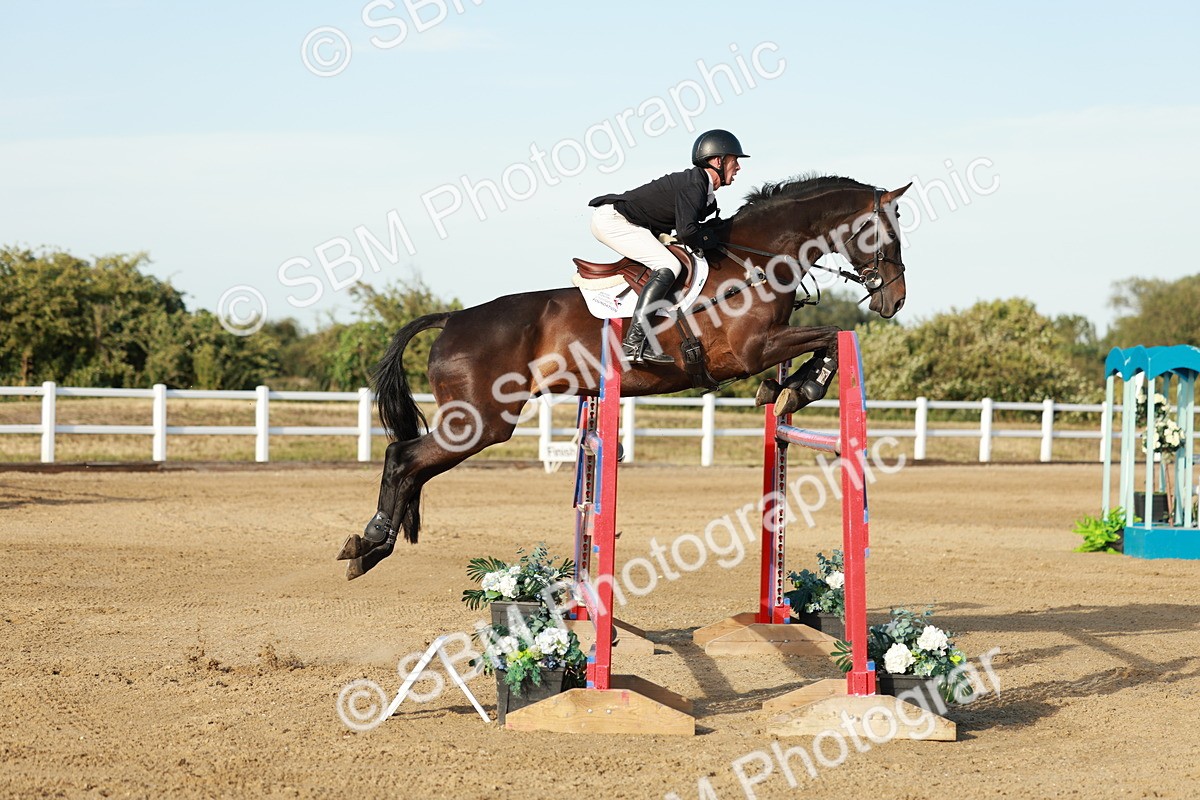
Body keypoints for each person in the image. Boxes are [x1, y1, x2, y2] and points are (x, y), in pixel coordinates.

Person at [588, 129, 748, 364]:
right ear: (718, 161)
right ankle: (633, 343)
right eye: (735, 161)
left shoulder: (703, 190)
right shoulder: (694, 186)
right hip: (613, 221)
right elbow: (687, 232)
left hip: (628, 223)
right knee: (669, 264)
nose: (738, 168)